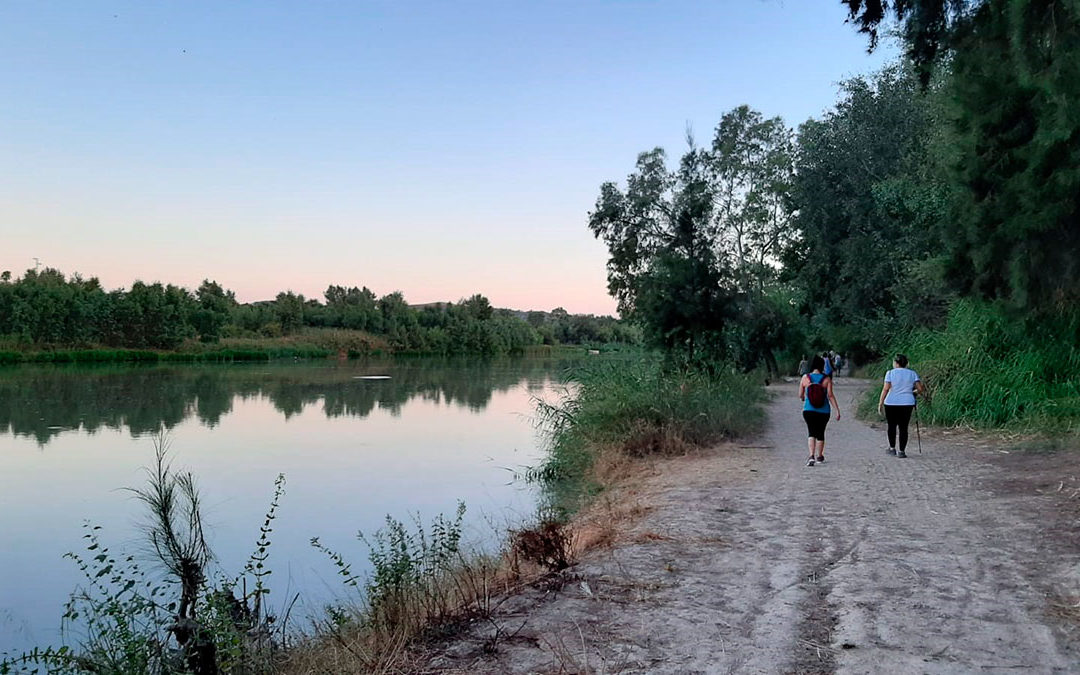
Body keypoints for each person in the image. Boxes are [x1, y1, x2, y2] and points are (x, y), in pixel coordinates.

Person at [877, 353, 925, 458]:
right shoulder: (912, 374)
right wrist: (914, 392)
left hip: (891, 402)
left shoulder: (890, 373)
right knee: (904, 427)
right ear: (906, 363)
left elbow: (886, 389)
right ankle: (902, 451)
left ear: (896, 363)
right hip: (907, 403)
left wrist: (880, 402)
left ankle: (892, 448)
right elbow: (920, 389)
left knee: (891, 426)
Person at [799, 355, 841, 466]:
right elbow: (830, 396)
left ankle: (811, 455)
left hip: (808, 410)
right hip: (824, 411)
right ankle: (820, 456)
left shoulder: (805, 378)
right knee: (820, 433)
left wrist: (805, 397)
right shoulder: (826, 379)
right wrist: (837, 410)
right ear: (822, 365)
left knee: (811, 432)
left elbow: (800, 395)